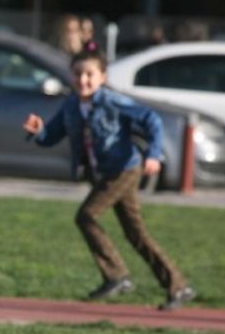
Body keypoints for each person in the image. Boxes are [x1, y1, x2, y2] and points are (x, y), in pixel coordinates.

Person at [22, 42, 196, 310]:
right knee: (135, 233)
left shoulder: (112, 102)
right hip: (104, 174)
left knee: (86, 215)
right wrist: (39, 131)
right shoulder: (71, 106)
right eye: (78, 74)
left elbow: (152, 120)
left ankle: (117, 276)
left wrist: (153, 154)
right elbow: (52, 136)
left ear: (102, 77)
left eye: (89, 74)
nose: (83, 80)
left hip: (125, 168)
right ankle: (178, 286)